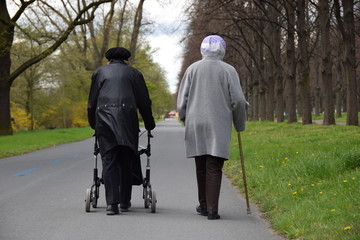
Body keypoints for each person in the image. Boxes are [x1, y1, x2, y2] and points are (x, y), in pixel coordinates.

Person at [177, 35, 248, 220]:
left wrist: (185, 118)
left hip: (196, 123)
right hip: (218, 123)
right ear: (222, 50)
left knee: (200, 164)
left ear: (202, 50)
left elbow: (181, 102)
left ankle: (202, 204)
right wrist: (240, 124)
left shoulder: (192, 69)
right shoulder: (228, 70)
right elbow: (239, 101)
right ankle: (212, 209)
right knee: (214, 165)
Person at [88, 47, 155, 215]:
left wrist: (93, 123)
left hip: (104, 119)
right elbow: (144, 102)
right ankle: (125, 201)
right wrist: (149, 124)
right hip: (127, 120)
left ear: (109, 60)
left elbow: (92, 102)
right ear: (126, 59)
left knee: (109, 160)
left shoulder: (100, 73)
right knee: (126, 160)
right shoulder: (134, 74)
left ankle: (112, 204)